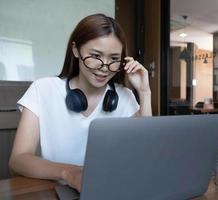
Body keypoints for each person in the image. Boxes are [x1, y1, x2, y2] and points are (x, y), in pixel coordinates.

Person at [9, 13, 152, 192]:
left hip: (109, 191)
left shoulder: (125, 97)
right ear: (76, 50)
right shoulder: (43, 89)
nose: (104, 67)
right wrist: (70, 174)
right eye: (95, 55)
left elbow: (146, 156)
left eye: (114, 59)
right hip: (57, 191)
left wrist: (144, 92)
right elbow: (18, 160)